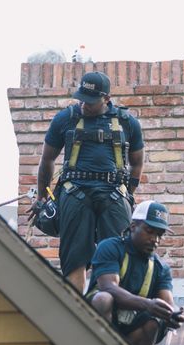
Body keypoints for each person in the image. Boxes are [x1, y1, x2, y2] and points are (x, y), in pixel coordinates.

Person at [35, 71, 145, 292]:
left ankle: (105, 313)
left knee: (114, 261)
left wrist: (128, 192)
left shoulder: (127, 122)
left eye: (91, 101)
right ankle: (77, 316)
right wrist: (42, 196)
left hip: (114, 195)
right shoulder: (66, 118)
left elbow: (137, 163)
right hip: (74, 194)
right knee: (74, 262)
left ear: (106, 98)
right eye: (82, 98)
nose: (84, 104)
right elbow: (47, 159)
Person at [86, 200, 184, 345]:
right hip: (103, 320)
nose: (155, 240)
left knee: (156, 320)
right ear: (133, 227)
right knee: (103, 298)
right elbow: (108, 287)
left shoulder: (161, 268)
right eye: (150, 231)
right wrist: (148, 304)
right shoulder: (110, 247)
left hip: (133, 332)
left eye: (159, 235)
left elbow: (167, 303)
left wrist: (176, 314)